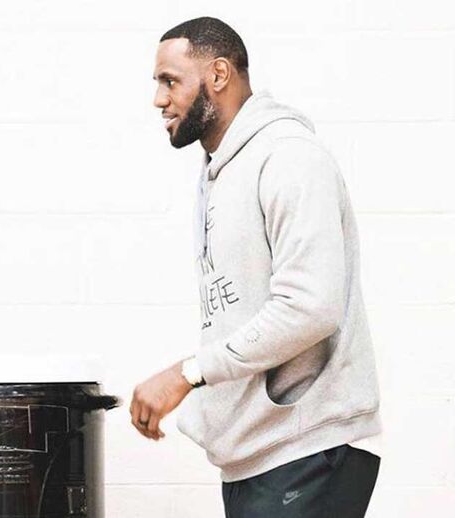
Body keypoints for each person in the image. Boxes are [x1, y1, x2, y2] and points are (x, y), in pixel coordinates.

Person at [129, 17, 382, 517]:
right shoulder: (218, 173)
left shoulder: (288, 157)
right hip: (255, 457)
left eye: (170, 81)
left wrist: (187, 374)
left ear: (218, 74)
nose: (159, 99)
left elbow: (310, 307)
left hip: (308, 449)